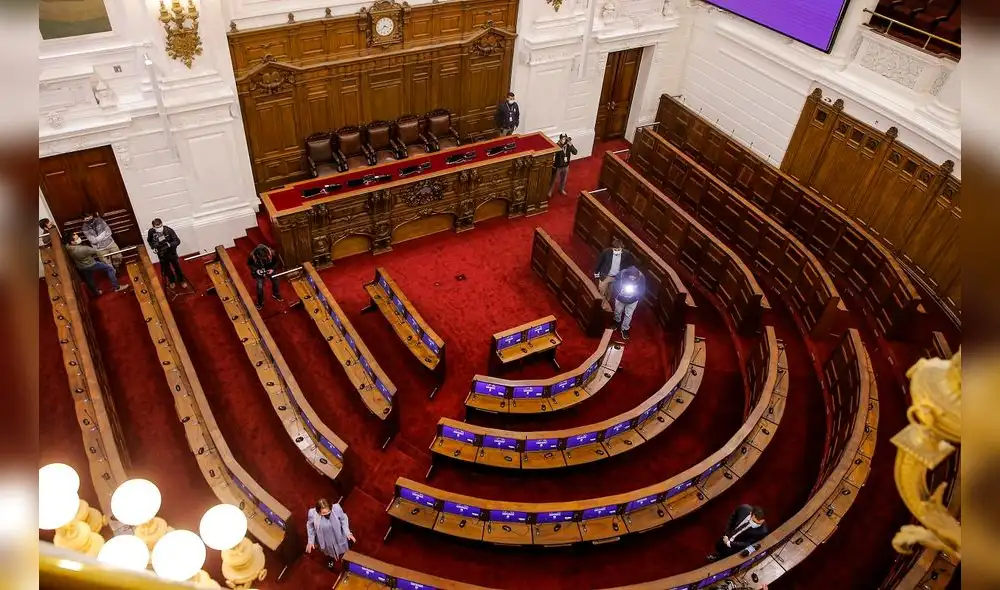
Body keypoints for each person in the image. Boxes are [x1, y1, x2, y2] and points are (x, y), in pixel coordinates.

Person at [305, 498, 355, 570]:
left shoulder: (336, 508)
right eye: (324, 513)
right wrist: (310, 541)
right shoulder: (312, 513)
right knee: (328, 553)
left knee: (343, 551)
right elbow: (310, 526)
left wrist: (347, 532)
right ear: (319, 512)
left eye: (329, 512)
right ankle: (331, 560)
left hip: (338, 537)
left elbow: (343, 518)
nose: (327, 514)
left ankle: (345, 561)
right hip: (325, 540)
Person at [146, 218, 187, 289]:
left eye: (160, 226)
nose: (159, 228)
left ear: (162, 224)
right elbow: (149, 240)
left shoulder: (168, 230)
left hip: (171, 252)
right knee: (166, 268)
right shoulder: (151, 232)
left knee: (177, 267)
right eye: (157, 227)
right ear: (153, 227)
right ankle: (172, 281)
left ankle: (181, 280)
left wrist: (170, 244)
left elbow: (177, 241)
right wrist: (153, 248)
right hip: (161, 253)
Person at [612, 265, 645, 341]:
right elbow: (615, 284)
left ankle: (625, 329)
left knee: (628, 314)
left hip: (633, 300)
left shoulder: (641, 277)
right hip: (620, 297)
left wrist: (636, 296)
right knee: (618, 311)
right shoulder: (621, 274)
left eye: (634, 277)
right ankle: (617, 322)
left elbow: (642, 289)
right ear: (628, 274)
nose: (633, 278)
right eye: (631, 276)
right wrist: (619, 292)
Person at [247, 244, 283, 310]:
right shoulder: (252, 255)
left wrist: (272, 269)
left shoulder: (273, 253)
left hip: (270, 269)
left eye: (265, 257)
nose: (263, 259)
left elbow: (278, 262)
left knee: (276, 281)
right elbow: (250, 265)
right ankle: (260, 302)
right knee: (259, 287)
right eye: (261, 258)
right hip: (259, 271)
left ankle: (276, 294)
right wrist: (256, 270)